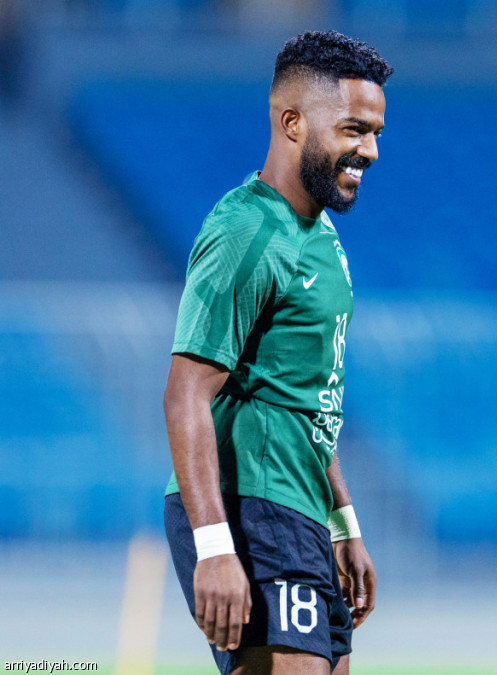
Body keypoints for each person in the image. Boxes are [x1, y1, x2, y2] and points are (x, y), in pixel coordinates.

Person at [162, 30, 392, 675]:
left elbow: (306, 398)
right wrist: (215, 547)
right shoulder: (248, 231)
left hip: (300, 508)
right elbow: (184, 394)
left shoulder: (320, 234)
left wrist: (342, 523)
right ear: (293, 123)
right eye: (354, 130)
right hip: (248, 507)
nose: (371, 151)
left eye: (376, 132)